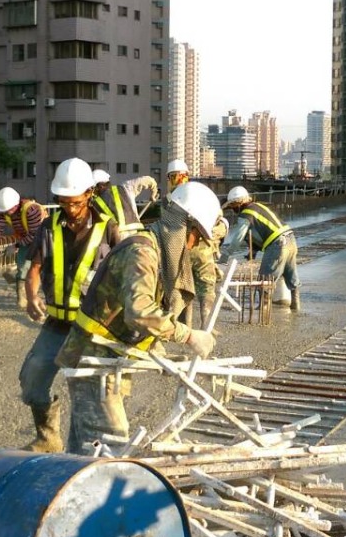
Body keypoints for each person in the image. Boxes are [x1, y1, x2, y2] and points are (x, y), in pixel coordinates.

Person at [58, 182, 219, 454]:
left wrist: (162, 355)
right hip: (95, 359)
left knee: (83, 449)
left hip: (106, 357)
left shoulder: (152, 252)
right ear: (183, 227)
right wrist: (188, 335)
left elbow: (129, 314)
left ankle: (63, 490)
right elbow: (139, 311)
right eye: (195, 237)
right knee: (109, 444)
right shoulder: (142, 252)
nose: (194, 247)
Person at [20, 159, 117, 453]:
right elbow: (36, 266)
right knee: (32, 380)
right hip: (57, 323)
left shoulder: (108, 229)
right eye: (63, 202)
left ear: (89, 194)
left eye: (74, 202)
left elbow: (120, 275)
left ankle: (82, 452)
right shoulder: (50, 227)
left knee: (86, 392)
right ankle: (48, 437)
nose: (70, 208)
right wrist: (31, 294)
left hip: (90, 327)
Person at [153, 182, 225, 326]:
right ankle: (189, 328)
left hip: (199, 253)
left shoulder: (179, 199)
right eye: (197, 235)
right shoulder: (149, 250)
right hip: (200, 252)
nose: (197, 241)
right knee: (188, 287)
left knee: (192, 286)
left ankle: (195, 327)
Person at [220, 186, 301, 311]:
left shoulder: (245, 214)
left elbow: (238, 238)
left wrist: (225, 254)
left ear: (238, 203)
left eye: (232, 206)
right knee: (290, 274)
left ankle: (264, 306)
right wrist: (252, 252)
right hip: (290, 239)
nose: (233, 210)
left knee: (265, 278)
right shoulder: (258, 207)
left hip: (278, 245)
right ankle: (296, 305)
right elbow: (260, 232)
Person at [0, 186, 47, 311]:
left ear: (17, 204)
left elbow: (35, 235)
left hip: (44, 238)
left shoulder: (31, 210)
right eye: (6, 210)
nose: (8, 212)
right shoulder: (4, 213)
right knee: (22, 266)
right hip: (26, 239)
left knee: (44, 268)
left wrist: (15, 246)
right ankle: (22, 299)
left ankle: (48, 297)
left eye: (10, 209)